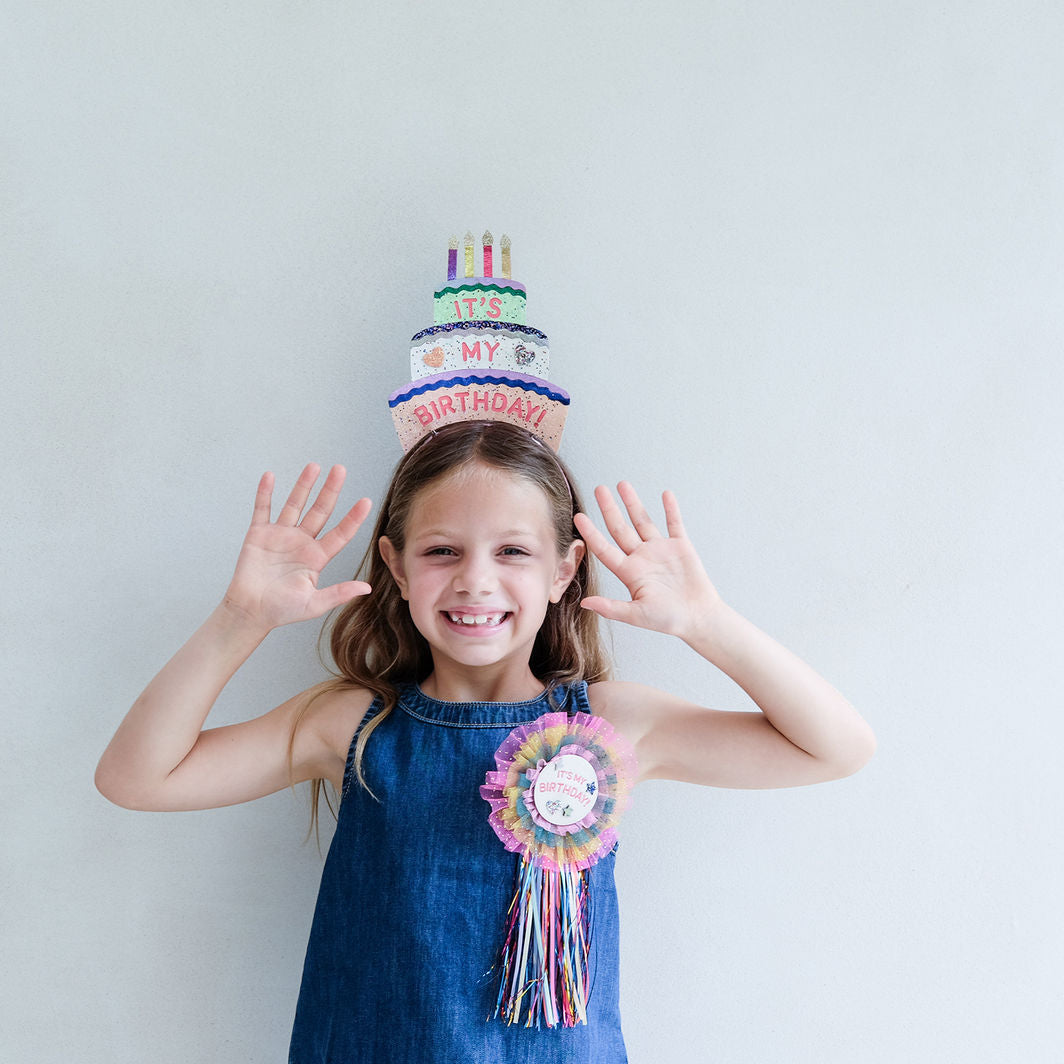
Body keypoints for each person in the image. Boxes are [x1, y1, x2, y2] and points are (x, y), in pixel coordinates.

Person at [96, 420, 875, 1063]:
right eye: (442, 551)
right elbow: (137, 778)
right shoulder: (351, 722)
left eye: (512, 551)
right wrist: (242, 619)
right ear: (396, 567)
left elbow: (835, 747)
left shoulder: (612, 724)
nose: (475, 580)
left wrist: (706, 623)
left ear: (566, 569)